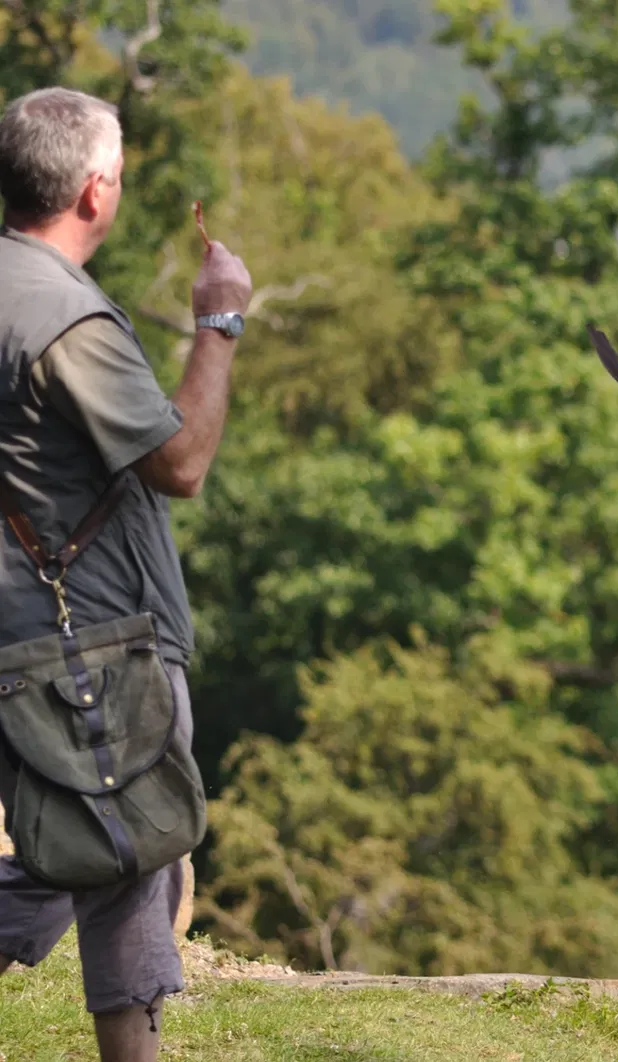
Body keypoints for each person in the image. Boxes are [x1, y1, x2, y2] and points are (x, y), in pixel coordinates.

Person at [0, 86, 251, 1061]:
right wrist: (219, 326)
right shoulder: (65, 317)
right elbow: (180, 464)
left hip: (27, 627)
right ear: (95, 191)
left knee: (114, 857)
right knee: (132, 851)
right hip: (90, 641)